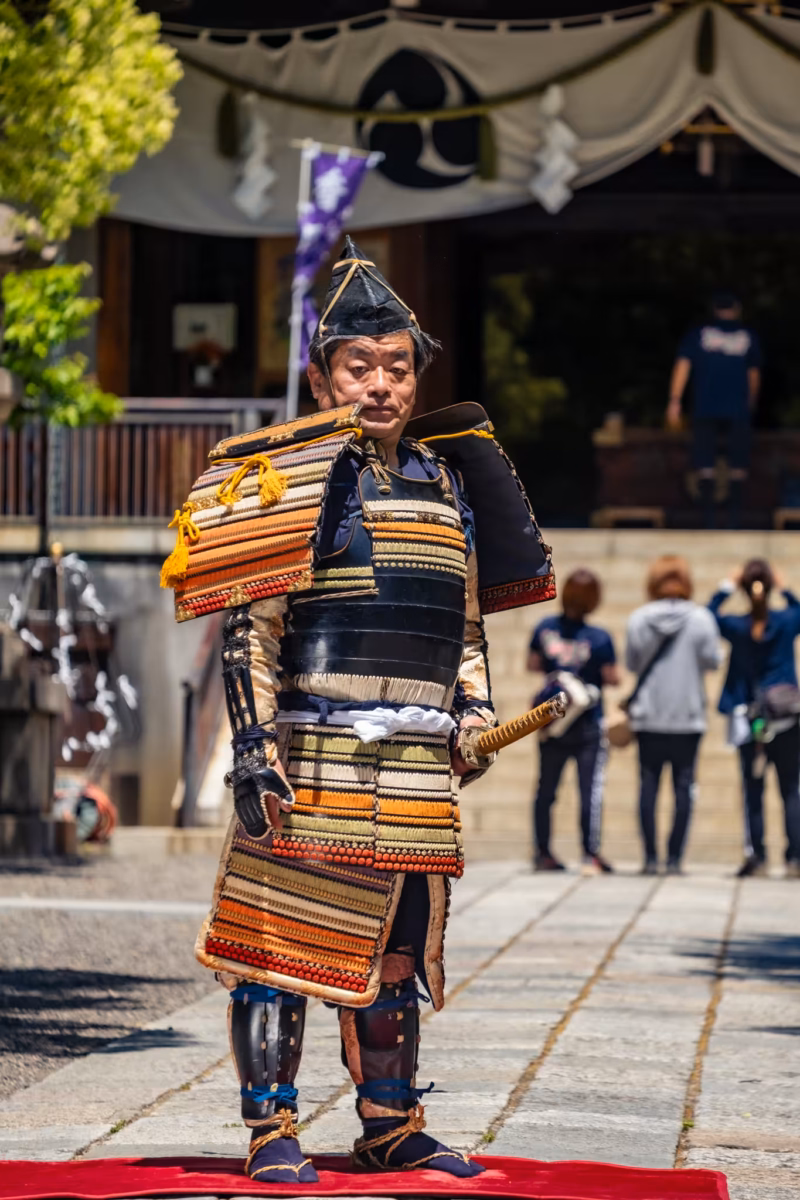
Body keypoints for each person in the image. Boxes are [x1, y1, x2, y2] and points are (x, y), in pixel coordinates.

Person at [162, 237, 556, 1182]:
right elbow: (248, 627)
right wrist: (252, 749)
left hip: (417, 763)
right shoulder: (288, 475)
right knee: (278, 945)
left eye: (396, 366)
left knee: (397, 956)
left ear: (417, 375)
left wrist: (474, 710)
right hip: (311, 750)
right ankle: (272, 1127)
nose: (379, 384)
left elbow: (462, 624)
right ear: (321, 372)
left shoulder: (448, 480)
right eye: (358, 365)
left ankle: (390, 1119)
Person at [626, 556, 721, 876]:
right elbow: (713, 661)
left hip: (649, 714)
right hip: (688, 715)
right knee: (684, 787)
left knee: (648, 786)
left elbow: (633, 663)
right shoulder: (702, 618)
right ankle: (675, 858)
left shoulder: (639, 619)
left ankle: (651, 858)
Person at [709, 560, 800, 879]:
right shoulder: (787, 620)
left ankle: (757, 857)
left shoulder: (737, 626)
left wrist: (727, 586)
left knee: (753, 789)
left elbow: (709, 616)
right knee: (791, 789)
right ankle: (795, 859)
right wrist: (784, 588)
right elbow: (799, 609)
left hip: (749, 718)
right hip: (786, 716)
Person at [528, 568, 618, 875]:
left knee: (546, 789)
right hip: (588, 724)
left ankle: (542, 852)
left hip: (552, 721)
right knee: (589, 790)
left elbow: (533, 664)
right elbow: (612, 677)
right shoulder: (599, 637)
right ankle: (589, 854)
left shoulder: (545, 629)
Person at [667, 291, 761, 529]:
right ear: (737, 309)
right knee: (734, 464)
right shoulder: (746, 336)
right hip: (734, 407)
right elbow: (754, 375)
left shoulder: (698, 335)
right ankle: (732, 519)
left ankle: (711, 519)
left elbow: (682, 366)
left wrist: (675, 400)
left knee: (706, 462)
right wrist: (750, 401)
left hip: (706, 407)